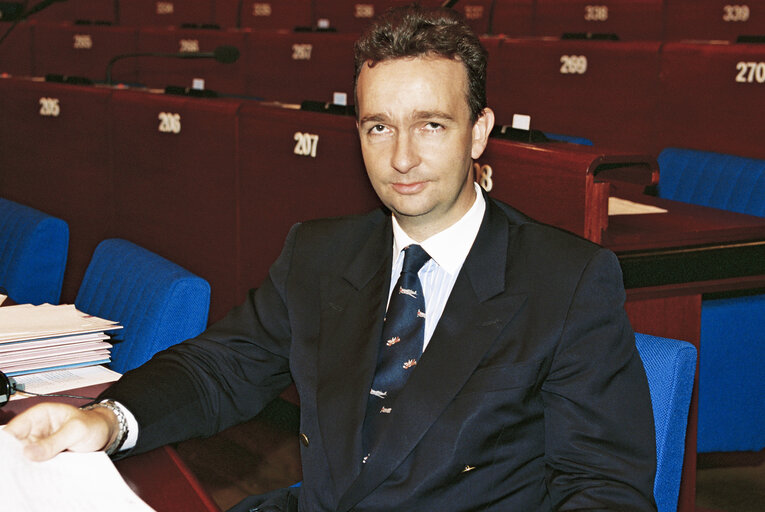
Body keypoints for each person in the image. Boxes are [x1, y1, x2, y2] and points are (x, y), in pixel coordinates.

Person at [6, 5, 657, 511]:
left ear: (480, 130)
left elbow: (603, 487)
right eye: (379, 127)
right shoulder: (320, 253)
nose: (401, 157)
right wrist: (107, 419)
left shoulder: (564, 280)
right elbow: (220, 369)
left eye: (430, 124)